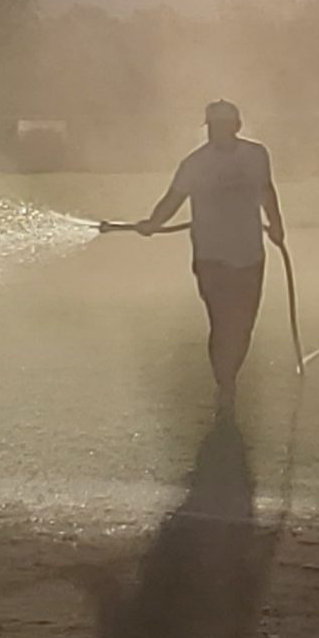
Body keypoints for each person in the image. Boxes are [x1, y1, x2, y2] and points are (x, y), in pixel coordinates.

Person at [131, 101, 286, 412]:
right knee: (220, 320)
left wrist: (277, 224)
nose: (217, 132)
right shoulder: (195, 163)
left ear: (236, 126)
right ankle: (224, 381)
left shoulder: (256, 155)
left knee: (242, 324)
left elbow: (266, 190)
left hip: (249, 253)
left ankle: (229, 376)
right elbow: (173, 199)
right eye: (213, 127)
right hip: (211, 254)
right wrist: (153, 223)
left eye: (223, 126)